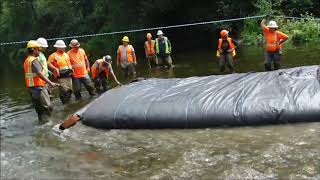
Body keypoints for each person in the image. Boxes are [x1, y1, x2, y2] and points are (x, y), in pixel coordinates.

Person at [23, 40, 58, 122]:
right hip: (39, 88)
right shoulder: (34, 60)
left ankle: (42, 124)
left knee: (39, 109)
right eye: (38, 49)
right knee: (47, 107)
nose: (39, 51)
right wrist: (50, 82)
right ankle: (48, 126)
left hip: (32, 88)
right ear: (33, 49)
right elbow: (39, 73)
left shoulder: (27, 60)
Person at [48, 40, 73, 104]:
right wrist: (54, 68)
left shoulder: (66, 54)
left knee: (70, 90)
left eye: (64, 47)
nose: (64, 48)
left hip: (69, 76)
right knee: (64, 91)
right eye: (62, 47)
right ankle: (65, 105)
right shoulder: (53, 56)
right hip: (61, 77)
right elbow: (48, 64)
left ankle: (69, 104)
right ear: (57, 48)